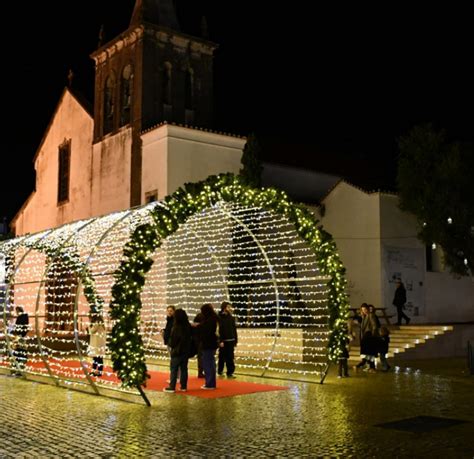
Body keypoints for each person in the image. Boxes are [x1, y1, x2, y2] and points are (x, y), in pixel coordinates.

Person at [163, 308, 193, 393]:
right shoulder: (188, 326)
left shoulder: (176, 327)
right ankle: (183, 386)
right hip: (186, 351)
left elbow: (173, 341)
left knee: (174, 369)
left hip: (177, 351)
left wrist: (168, 340)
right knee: (184, 369)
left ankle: (172, 387)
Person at [194, 303, 219, 390]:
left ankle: (210, 384)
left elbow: (205, 331)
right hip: (212, 343)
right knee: (211, 363)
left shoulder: (209, 320)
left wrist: (197, 327)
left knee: (207, 363)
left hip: (207, 343)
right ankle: (211, 383)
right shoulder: (213, 318)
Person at [217, 301, 238, 378]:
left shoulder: (231, 318)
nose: (229, 309)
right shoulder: (219, 317)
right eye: (228, 307)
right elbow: (219, 330)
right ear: (224, 308)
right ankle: (220, 370)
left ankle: (230, 372)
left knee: (230, 357)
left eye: (230, 307)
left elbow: (234, 329)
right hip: (223, 340)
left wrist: (235, 340)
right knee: (222, 357)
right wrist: (220, 340)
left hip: (231, 340)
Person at [11, 306, 29, 374]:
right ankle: (17, 369)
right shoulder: (22, 317)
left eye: (17, 311)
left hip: (20, 336)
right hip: (19, 336)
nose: (17, 312)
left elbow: (22, 327)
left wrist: (18, 333)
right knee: (18, 352)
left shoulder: (23, 317)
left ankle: (18, 369)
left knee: (19, 352)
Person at [193, 310, 205, 378]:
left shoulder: (198, 317)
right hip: (202, 341)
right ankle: (201, 372)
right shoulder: (207, 318)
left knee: (200, 357)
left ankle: (200, 372)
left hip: (198, 340)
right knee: (202, 357)